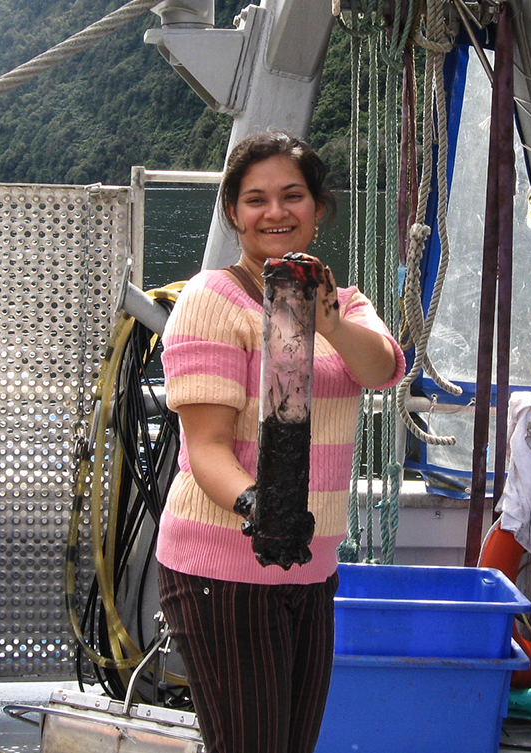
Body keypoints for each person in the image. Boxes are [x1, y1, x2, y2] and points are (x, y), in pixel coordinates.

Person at [156, 130, 405, 753]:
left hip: (312, 569)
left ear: (318, 209)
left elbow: (383, 369)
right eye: (255, 199)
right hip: (224, 571)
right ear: (234, 214)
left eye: (292, 196)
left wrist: (329, 323)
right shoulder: (211, 299)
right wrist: (260, 509)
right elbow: (206, 448)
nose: (275, 212)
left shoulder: (344, 303)